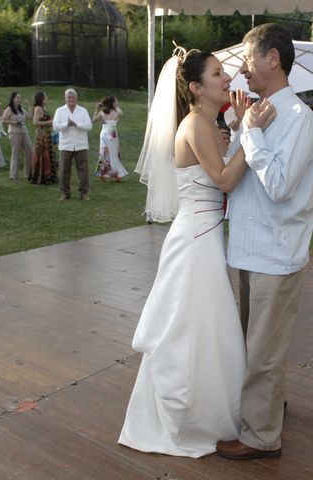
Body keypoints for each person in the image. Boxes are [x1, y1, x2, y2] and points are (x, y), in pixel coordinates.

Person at [118, 48, 270, 457]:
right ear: (196, 88)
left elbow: (218, 171)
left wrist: (235, 132)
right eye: (219, 74)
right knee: (197, 325)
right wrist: (249, 131)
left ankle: (215, 408)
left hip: (202, 234)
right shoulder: (198, 124)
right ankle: (197, 416)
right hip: (196, 239)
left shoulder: (205, 123)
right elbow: (224, 181)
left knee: (204, 325)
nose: (228, 79)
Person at [215, 23, 313, 461]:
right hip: (246, 248)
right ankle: (268, 406)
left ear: (272, 59)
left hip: (276, 253)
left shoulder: (299, 119)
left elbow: (277, 186)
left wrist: (252, 133)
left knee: (264, 351)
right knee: (252, 345)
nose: (241, 70)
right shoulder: (255, 114)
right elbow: (232, 176)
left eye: (247, 59)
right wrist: (238, 127)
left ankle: (261, 437)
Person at [52, 89, 93, 200]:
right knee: (64, 170)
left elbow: (89, 126)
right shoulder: (60, 111)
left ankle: (84, 193)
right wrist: (66, 124)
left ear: (76, 98)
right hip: (66, 144)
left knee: (83, 170)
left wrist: (78, 125)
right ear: (65, 98)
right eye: (68, 97)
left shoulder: (83, 110)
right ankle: (65, 193)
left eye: (73, 97)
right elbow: (55, 126)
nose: (71, 99)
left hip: (81, 144)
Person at [93, 96, 128, 182]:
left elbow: (94, 119)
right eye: (116, 101)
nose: (117, 103)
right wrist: (116, 107)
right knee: (113, 154)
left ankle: (103, 173)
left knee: (105, 154)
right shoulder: (116, 112)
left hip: (105, 135)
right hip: (111, 136)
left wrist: (96, 110)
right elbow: (121, 112)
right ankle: (116, 174)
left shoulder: (102, 113)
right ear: (112, 103)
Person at [2, 92, 32, 180]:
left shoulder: (21, 109)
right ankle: (13, 175)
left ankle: (28, 173)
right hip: (14, 132)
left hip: (24, 132)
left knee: (30, 151)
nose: (19, 99)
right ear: (13, 99)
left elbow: (30, 116)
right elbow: (4, 120)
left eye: (20, 98)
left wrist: (29, 105)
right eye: (17, 97)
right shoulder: (9, 109)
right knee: (16, 153)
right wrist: (15, 122)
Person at [30, 91, 57, 185]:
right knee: (42, 154)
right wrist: (48, 122)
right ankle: (40, 176)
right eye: (45, 97)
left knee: (48, 154)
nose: (47, 98)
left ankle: (48, 175)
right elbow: (35, 123)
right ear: (41, 98)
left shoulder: (44, 108)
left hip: (47, 133)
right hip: (41, 134)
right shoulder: (38, 108)